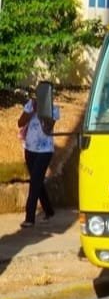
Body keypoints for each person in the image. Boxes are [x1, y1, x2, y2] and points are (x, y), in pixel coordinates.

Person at [17, 85, 60, 228]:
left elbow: (48, 128)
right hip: (30, 148)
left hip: (45, 150)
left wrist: (43, 112)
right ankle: (49, 210)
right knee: (38, 181)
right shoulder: (30, 105)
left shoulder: (54, 108)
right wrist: (31, 111)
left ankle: (29, 218)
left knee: (35, 181)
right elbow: (20, 123)